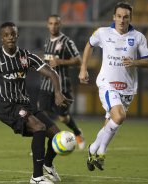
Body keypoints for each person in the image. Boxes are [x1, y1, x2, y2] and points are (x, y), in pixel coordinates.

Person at [0, 22, 71, 184]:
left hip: (26, 105)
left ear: (17, 35)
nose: (10, 37)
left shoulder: (26, 56)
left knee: (56, 134)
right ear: (1, 38)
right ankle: (37, 177)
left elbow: (52, 73)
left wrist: (58, 92)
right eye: (6, 35)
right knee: (39, 128)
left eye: (12, 34)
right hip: (7, 107)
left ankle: (47, 164)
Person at [78, 2, 148, 171]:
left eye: (125, 17)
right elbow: (89, 44)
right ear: (113, 17)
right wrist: (83, 68)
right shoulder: (103, 33)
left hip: (127, 88)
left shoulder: (138, 37)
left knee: (111, 123)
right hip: (107, 84)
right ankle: (102, 152)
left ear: (130, 18)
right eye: (119, 16)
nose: (122, 20)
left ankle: (92, 148)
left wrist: (134, 62)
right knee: (119, 116)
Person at [38, 14, 86, 150]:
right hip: (45, 85)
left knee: (63, 118)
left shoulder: (66, 41)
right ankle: (42, 145)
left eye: (56, 23)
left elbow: (78, 60)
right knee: (41, 115)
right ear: (47, 25)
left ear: (60, 25)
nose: (53, 26)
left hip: (62, 87)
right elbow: (47, 60)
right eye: (51, 23)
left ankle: (77, 132)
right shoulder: (47, 41)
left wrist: (60, 61)